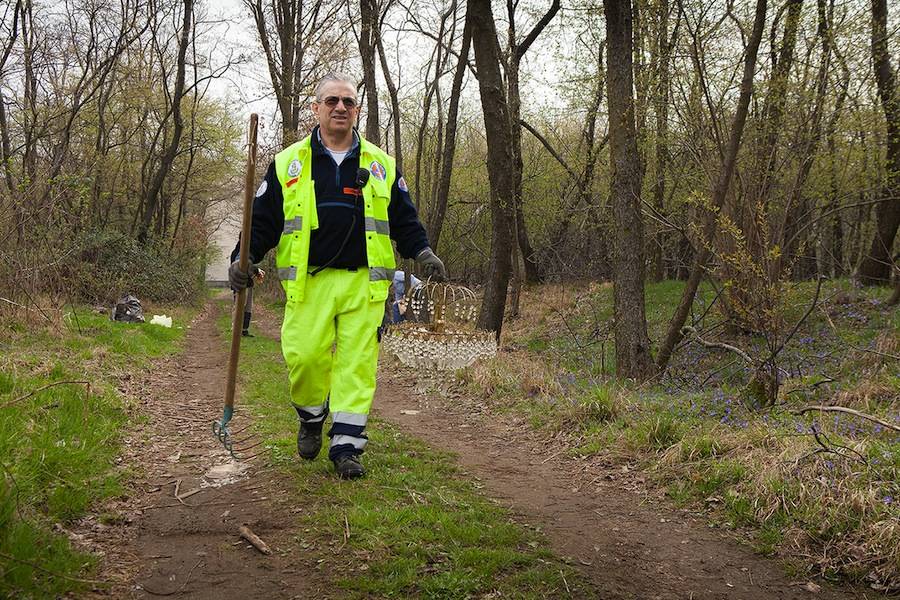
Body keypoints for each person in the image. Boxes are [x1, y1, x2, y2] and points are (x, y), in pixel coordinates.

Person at [228, 73, 447, 479]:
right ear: (316, 108)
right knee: (305, 358)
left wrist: (422, 250)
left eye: (348, 101)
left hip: (364, 284)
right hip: (309, 283)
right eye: (331, 101)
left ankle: (347, 447)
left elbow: (403, 217)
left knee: (356, 365)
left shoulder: (380, 165)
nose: (340, 108)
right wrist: (243, 257)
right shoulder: (288, 164)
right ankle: (311, 418)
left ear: (357, 110)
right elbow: (261, 221)